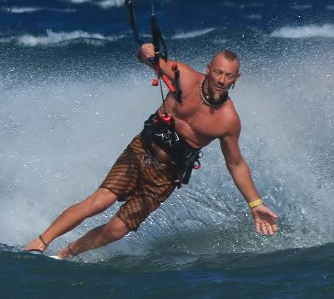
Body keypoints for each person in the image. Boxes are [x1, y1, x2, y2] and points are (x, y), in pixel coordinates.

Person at [23, 43, 278, 258]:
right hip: (141, 151)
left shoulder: (228, 120)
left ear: (237, 78)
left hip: (166, 176)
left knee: (116, 230)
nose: (222, 80)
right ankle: (40, 243)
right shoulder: (184, 77)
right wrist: (146, 52)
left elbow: (235, 164)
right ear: (208, 68)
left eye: (229, 76)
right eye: (219, 72)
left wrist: (255, 204)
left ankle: (66, 253)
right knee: (100, 201)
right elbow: (148, 58)